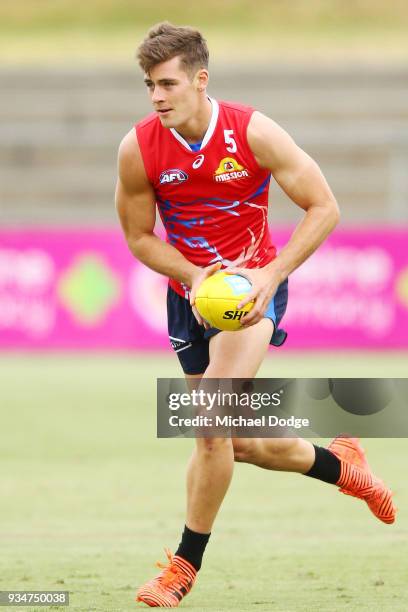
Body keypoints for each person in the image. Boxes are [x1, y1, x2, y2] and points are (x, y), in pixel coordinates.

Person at [115, 22, 396, 608]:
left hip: (252, 294)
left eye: (167, 83)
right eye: (149, 85)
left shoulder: (253, 132)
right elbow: (139, 237)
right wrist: (192, 276)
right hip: (189, 296)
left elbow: (325, 207)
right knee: (235, 442)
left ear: (200, 79)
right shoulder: (138, 148)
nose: (156, 96)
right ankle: (339, 463)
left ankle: (182, 569)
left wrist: (271, 275)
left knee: (210, 423)